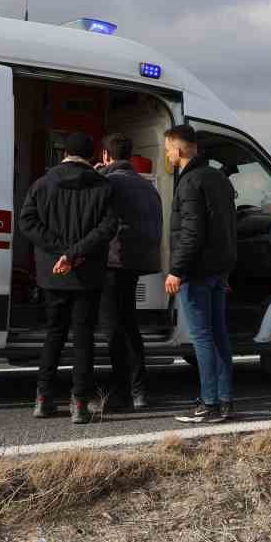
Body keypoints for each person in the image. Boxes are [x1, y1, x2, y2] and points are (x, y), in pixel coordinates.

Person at [18, 131, 119, 424]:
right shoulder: (104, 186)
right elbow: (108, 227)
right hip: (87, 273)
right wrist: (75, 253)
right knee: (84, 337)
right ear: (90, 156)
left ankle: (43, 399)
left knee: (54, 334)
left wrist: (61, 253)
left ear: (63, 152)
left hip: (53, 273)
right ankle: (79, 404)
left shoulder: (42, 184)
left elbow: (27, 222)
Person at [162, 123, 238, 424]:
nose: (167, 155)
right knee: (219, 336)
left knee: (202, 338)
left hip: (196, 272)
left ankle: (208, 404)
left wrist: (176, 270)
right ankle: (224, 399)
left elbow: (192, 232)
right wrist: (226, 270)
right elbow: (228, 229)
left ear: (179, 150)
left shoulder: (190, 182)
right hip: (218, 271)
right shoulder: (217, 178)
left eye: (168, 149)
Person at [97, 133, 162, 410]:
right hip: (139, 262)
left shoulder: (107, 182)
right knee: (129, 325)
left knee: (113, 328)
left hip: (113, 261)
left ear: (105, 156)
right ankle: (140, 390)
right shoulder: (148, 186)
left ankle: (122, 392)